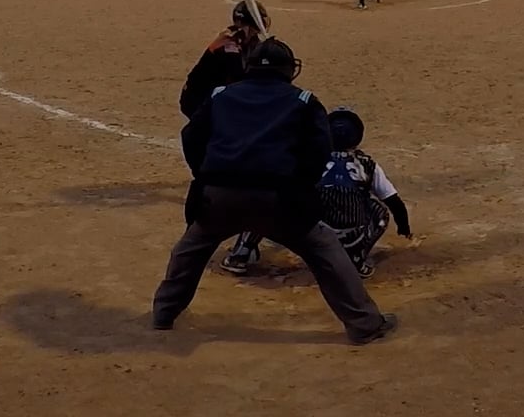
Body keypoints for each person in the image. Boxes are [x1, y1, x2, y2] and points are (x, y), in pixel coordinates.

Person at [150, 38, 397, 345]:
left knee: (190, 248)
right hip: (280, 200)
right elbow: (319, 151)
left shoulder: (220, 95)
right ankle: (364, 324)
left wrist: (207, 176)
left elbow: (191, 137)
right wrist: (299, 187)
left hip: (220, 196)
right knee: (325, 249)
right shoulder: (304, 100)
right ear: (289, 70)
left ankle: (164, 312)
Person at [179, 0, 270, 275]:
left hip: (218, 105)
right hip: (202, 106)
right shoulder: (230, 45)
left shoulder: (248, 42)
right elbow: (240, 83)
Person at [317, 107, 412, 279]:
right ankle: (356, 257)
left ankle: (315, 254)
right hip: (352, 237)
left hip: (318, 236)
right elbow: (394, 202)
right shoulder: (367, 164)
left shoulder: (313, 160)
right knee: (380, 211)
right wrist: (403, 227)